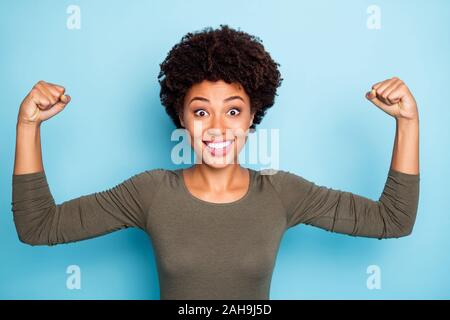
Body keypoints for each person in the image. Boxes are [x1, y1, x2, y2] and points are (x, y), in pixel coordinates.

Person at [11, 25, 420, 300]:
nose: (218, 128)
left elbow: (392, 220)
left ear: (252, 117)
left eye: (234, 110)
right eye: (202, 112)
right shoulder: (150, 192)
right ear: (182, 118)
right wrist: (28, 125)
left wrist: (408, 122)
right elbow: (39, 226)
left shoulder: (281, 192)